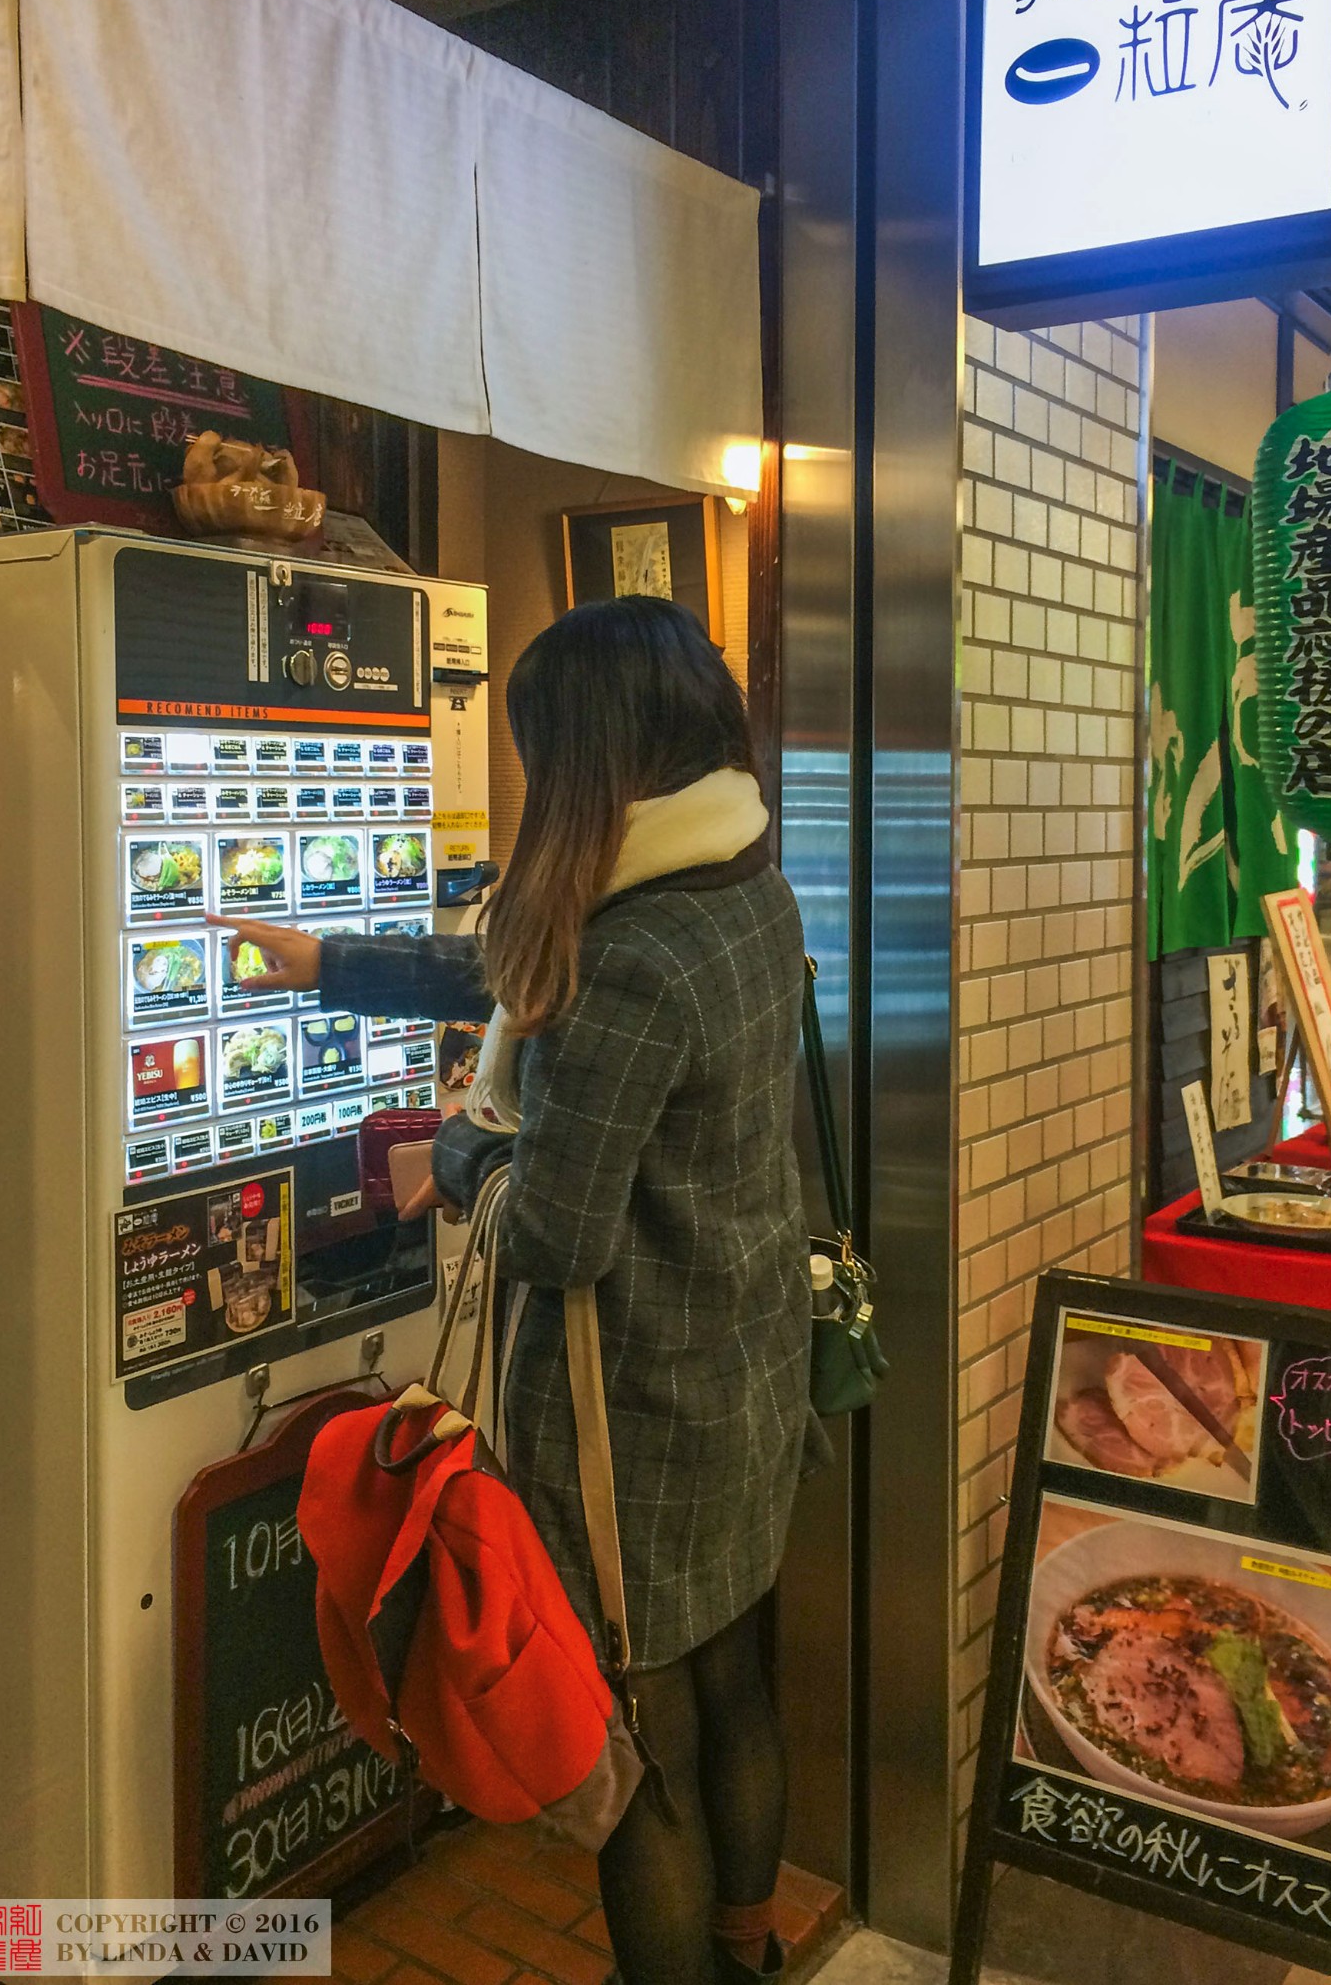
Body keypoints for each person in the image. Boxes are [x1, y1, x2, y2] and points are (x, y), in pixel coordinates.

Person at [211, 597, 812, 1985]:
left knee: (637, 1750)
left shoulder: (633, 957)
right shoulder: (738, 882)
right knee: (733, 1685)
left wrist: (458, 1153)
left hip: (635, 1416)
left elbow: (555, 1234)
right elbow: (526, 965)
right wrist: (335, 964)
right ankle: (748, 1950)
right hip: (744, 1365)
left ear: (593, 755)